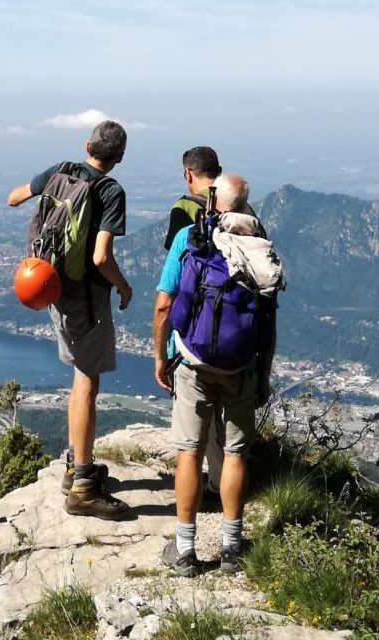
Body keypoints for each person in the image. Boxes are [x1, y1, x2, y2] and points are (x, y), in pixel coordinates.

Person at [152, 174, 278, 576]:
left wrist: (161, 357)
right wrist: (262, 374)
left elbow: (163, 305)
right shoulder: (261, 248)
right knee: (235, 453)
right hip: (240, 365)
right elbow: (268, 323)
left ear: (213, 203)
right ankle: (231, 548)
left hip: (192, 361)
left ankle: (185, 551)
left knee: (189, 451)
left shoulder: (191, 237)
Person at [7, 120, 133, 520]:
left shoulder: (60, 170)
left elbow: (14, 199)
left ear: (87, 145)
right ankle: (82, 485)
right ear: (119, 158)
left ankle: (74, 463)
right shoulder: (110, 191)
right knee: (86, 382)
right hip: (87, 298)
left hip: (52, 289)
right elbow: (100, 257)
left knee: (78, 376)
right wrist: (124, 287)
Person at [164, 146, 227, 498]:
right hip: (235, 333)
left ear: (189, 173)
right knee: (225, 418)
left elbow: (175, 277)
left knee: (191, 424)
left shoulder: (185, 209)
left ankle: (193, 497)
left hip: (194, 330)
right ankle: (221, 484)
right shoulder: (240, 207)